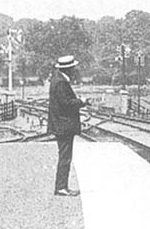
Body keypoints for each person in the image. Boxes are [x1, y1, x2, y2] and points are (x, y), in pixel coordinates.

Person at [48, 55, 90, 196]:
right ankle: (61, 187)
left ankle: (62, 186)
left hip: (61, 124)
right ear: (69, 69)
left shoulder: (58, 79)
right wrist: (81, 101)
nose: (74, 71)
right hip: (64, 125)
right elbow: (66, 104)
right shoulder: (61, 83)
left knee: (65, 156)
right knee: (65, 157)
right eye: (73, 68)